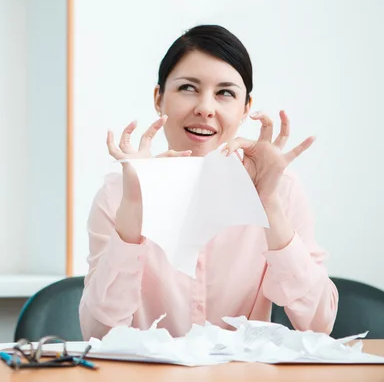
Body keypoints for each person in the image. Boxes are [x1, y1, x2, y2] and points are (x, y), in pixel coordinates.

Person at [78, 24, 339, 340]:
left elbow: (318, 323)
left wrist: (268, 203)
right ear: (159, 98)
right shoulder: (118, 193)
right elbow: (99, 334)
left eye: (225, 93)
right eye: (188, 88)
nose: (205, 108)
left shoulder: (281, 189)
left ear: (245, 109)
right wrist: (134, 208)